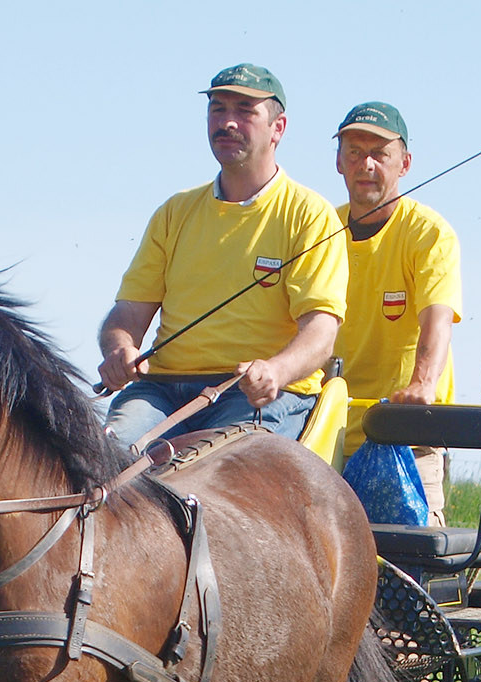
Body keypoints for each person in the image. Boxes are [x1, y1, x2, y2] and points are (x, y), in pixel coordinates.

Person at [98, 64, 348, 448]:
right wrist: (119, 350)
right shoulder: (174, 212)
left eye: (245, 110)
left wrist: (275, 371)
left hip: (253, 396)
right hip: (160, 392)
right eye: (218, 109)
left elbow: (320, 333)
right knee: (100, 462)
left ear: (278, 128)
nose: (227, 122)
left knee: (211, 477)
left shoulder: (309, 213)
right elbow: (127, 314)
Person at [330, 101, 462, 526]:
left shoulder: (428, 233)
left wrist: (421, 386)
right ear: (338, 162)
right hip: (327, 435)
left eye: (379, 154)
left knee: (409, 559)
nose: (365, 164)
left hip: (405, 437)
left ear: (404, 164)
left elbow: (437, 319)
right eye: (354, 152)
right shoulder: (320, 232)